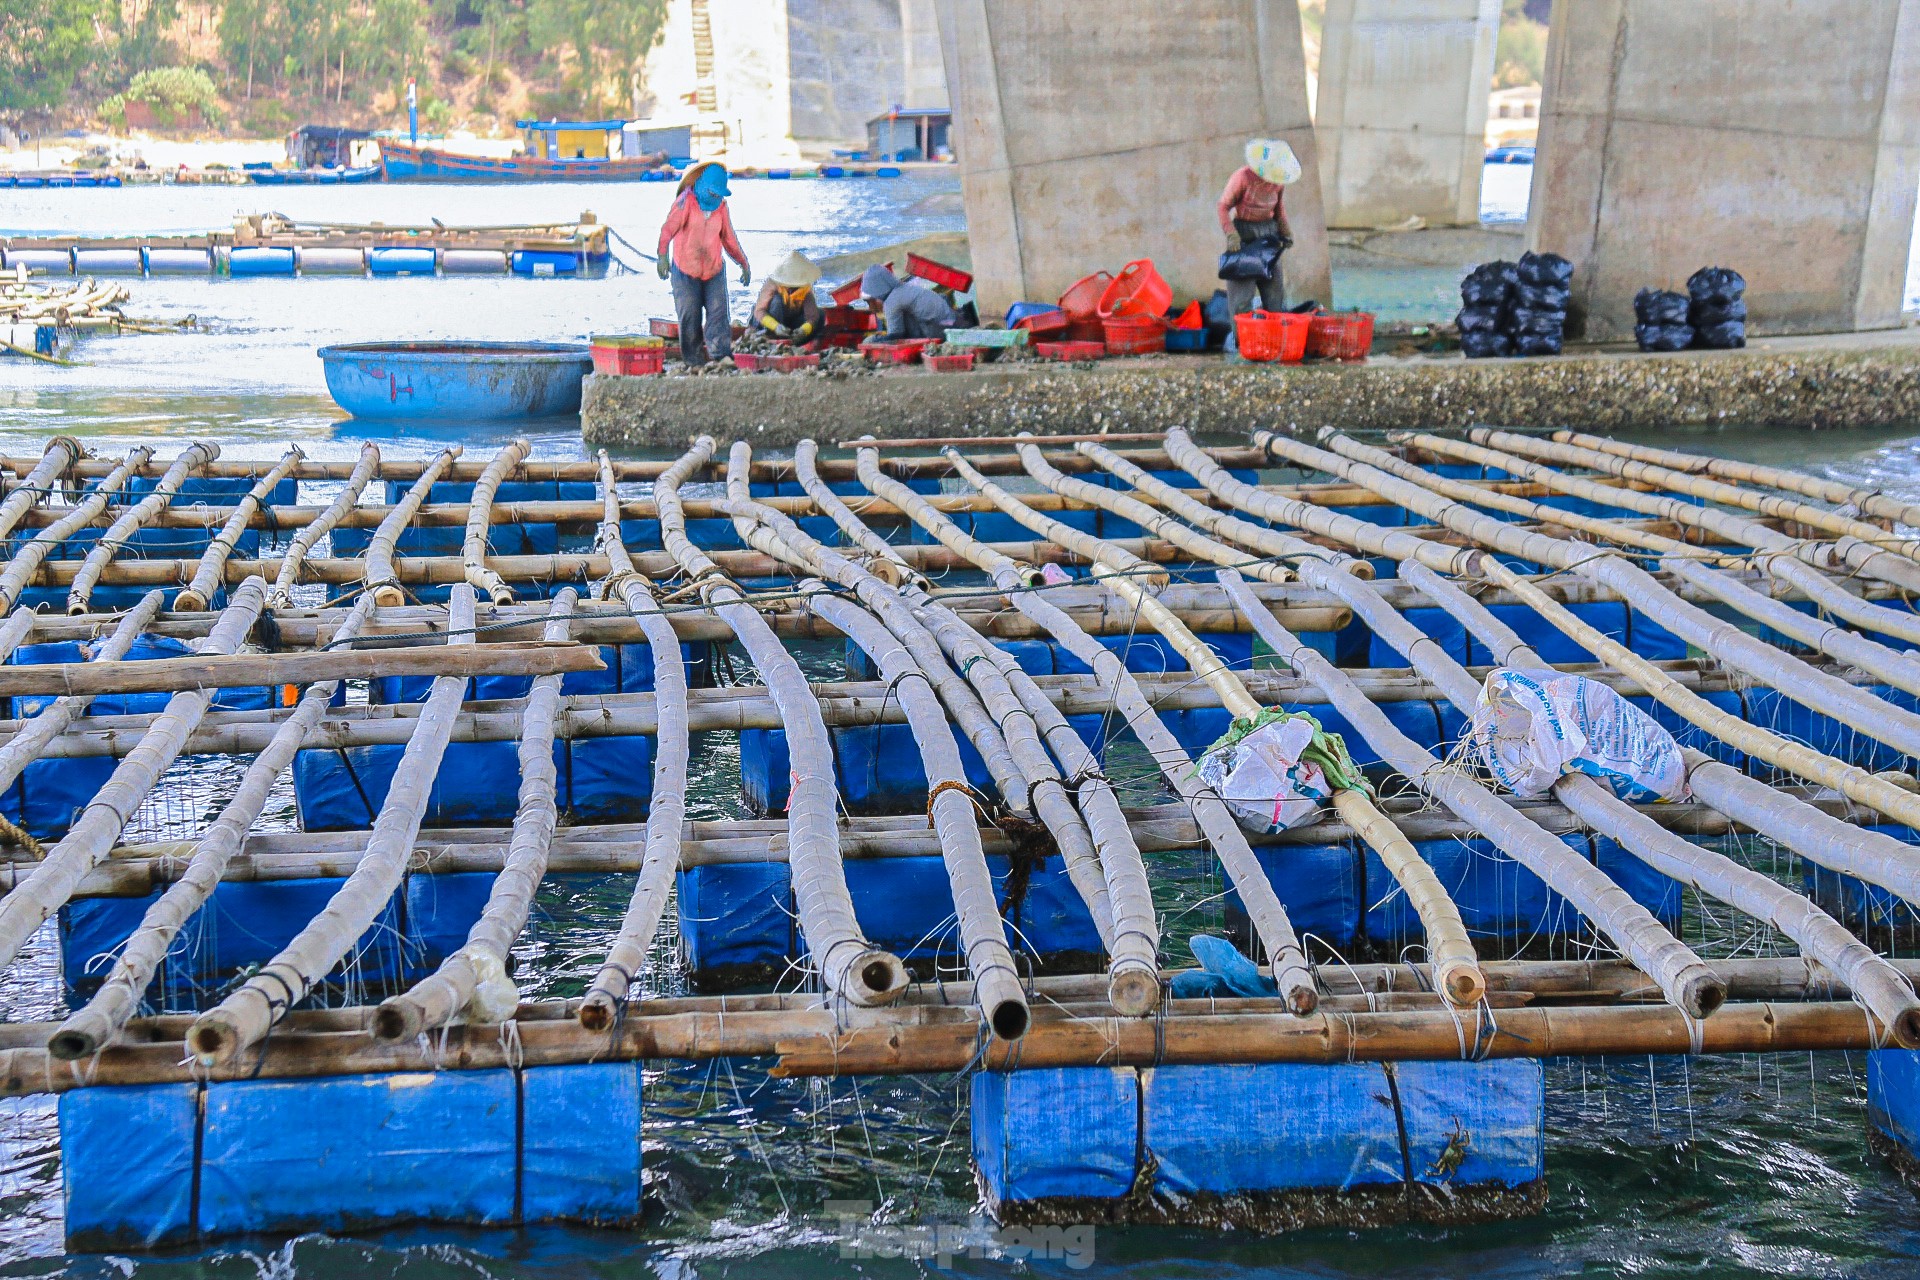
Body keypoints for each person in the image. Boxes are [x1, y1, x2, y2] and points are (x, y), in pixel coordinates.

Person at [656, 161, 751, 366]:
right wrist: (662, 255)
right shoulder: (685, 203)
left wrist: (743, 263)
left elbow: (728, 238)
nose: (716, 197)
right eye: (713, 192)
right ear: (703, 186)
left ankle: (721, 354)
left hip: (713, 269)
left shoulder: (722, 208)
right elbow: (667, 230)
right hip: (685, 270)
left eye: (719, 194)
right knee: (689, 314)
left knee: (718, 312)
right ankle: (694, 360)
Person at [1216, 138, 1299, 316]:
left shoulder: (1279, 182)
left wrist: (1285, 231)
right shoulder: (1243, 177)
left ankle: (1273, 336)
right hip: (1244, 235)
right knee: (1241, 297)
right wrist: (1231, 234)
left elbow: (1279, 209)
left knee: (1274, 293)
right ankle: (1241, 340)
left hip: (1270, 234)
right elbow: (1222, 206)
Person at [860, 264, 957, 340]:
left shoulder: (892, 301)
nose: (870, 307)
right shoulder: (906, 288)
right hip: (950, 324)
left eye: (870, 302)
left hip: (939, 333)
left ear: (878, 293)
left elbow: (895, 336)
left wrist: (876, 340)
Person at [752, 251, 825, 347]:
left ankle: (795, 342)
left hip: (790, 324)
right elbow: (759, 311)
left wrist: (804, 329)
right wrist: (775, 326)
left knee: (820, 314)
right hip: (769, 323)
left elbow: (812, 316)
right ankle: (773, 339)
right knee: (777, 301)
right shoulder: (772, 283)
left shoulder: (805, 287)